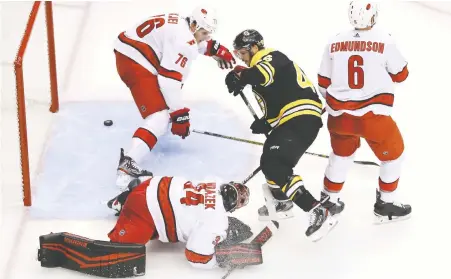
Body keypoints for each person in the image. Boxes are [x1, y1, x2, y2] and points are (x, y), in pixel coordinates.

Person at [224, 29, 339, 241]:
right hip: (295, 120)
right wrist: (267, 122)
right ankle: (280, 201)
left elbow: (263, 74)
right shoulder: (263, 73)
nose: (240, 57)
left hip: (300, 118)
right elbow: (278, 100)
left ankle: (317, 210)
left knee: (275, 163)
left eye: (242, 52)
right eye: (237, 53)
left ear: (255, 47)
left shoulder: (269, 56)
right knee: (269, 159)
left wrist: (241, 75)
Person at [113, 6, 236, 190]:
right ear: (194, 25)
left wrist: (212, 48)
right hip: (134, 62)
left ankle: (151, 135)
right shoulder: (183, 40)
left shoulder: (182, 23)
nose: (207, 37)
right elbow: (168, 82)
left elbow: (186, 43)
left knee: (168, 103)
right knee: (160, 116)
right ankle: (129, 164)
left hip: (131, 52)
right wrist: (179, 114)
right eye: (204, 33)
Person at [317, 1, 411, 223]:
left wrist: (338, 101)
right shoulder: (385, 40)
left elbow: (323, 82)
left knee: (340, 156)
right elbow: (401, 75)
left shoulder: (334, 41)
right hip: (373, 117)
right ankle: (386, 204)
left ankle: (329, 200)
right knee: (394, 156)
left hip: (339, 117)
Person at [107, 176, 260, 269]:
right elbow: (195, 256)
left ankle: (124, 199)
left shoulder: (213, 181)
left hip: (149, 185)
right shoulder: (216, 221)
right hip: (145, 212)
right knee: (121, 256)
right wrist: (221, 260)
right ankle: (125, 213)